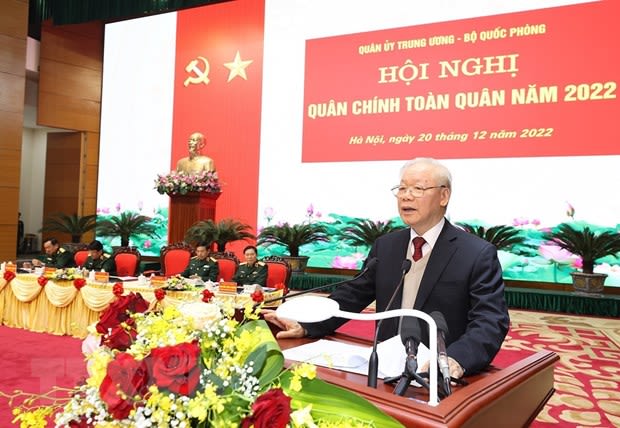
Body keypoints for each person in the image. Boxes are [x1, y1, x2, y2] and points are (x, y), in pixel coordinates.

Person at [264, 158, 510, 379]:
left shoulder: (475, 253)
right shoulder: (387, 246)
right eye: (402, 189)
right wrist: (307, 325)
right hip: (384, 371)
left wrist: (455, 359)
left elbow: (490, 320)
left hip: (435, 376)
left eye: (418, 188)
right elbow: (352, 296)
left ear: (444, 196)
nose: (406, 196)